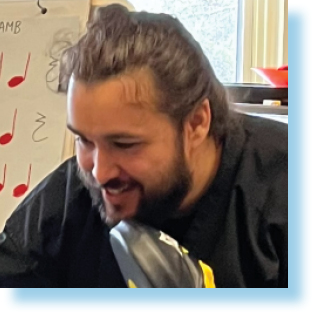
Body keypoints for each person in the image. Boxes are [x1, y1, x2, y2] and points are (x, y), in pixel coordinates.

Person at [0, 4, 287, 288]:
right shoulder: (67, 202)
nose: (99, 173)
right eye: (84, 140)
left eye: (124, 144)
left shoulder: (288, 192)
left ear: (197, 123)